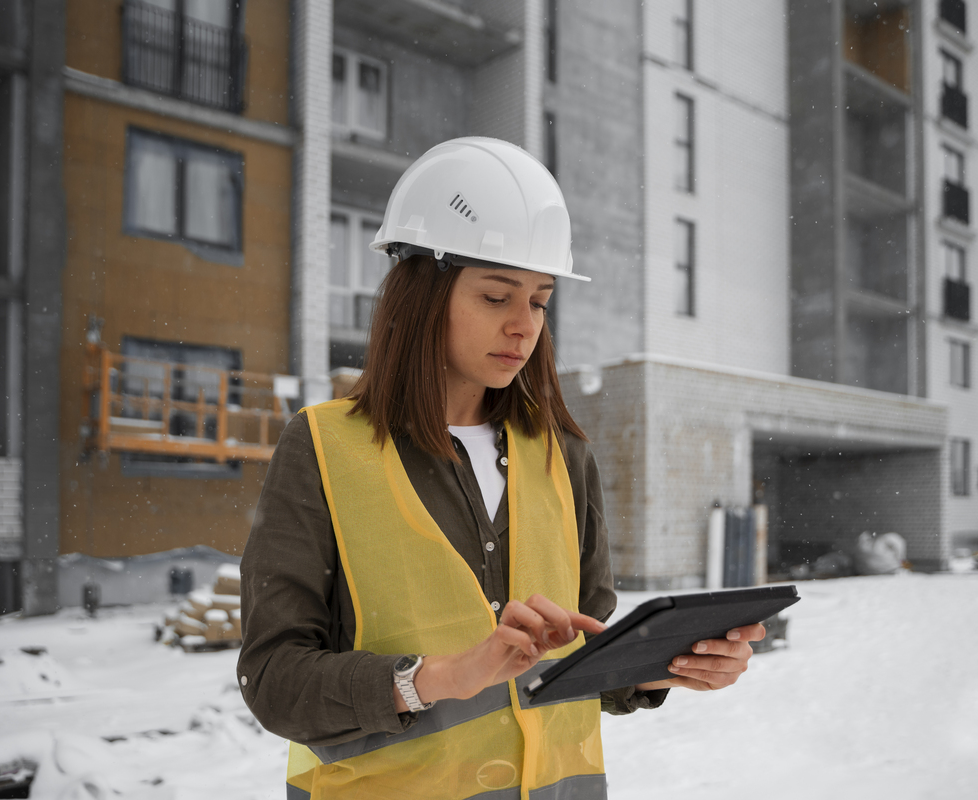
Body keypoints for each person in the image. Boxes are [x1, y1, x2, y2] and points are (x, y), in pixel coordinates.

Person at [237, 137, 765, 800]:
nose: (524, 326)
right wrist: (434, 677)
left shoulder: (562, 455)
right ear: (422, 296)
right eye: (495, 297)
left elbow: (580, 657)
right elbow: (275, 679)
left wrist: (664, 665)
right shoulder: (321, 448)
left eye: (540, 301)